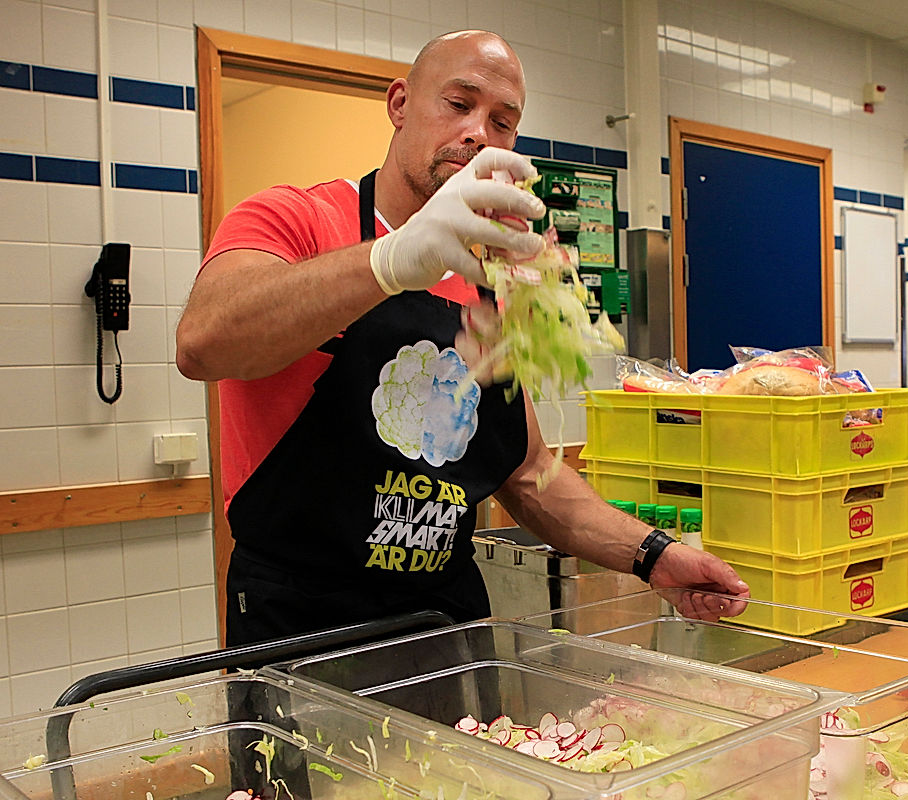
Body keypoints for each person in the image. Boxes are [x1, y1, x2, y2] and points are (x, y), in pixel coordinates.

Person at [175, 29, 749, 646]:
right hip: (300, 626)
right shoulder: (297, 219)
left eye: (502, 122)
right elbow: (204, 341)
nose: (479, 133)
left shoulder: (492, 287)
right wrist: (391, 260)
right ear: (399, 104)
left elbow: (529, 476)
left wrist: (654, 555)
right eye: (459, 104)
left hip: (442, 623)